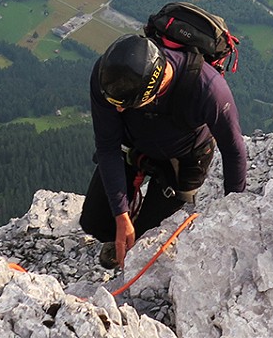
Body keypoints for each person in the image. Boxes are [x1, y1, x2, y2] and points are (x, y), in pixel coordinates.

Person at [81, 33, 248, 267]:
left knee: (148, 240)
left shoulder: (209, 90)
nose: (118, 111)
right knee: (95, 223)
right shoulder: (108, 77)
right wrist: (121, 216)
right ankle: (122, 230)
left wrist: (234, 211)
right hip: (135, 145)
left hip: (184, 159)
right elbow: (108, 146)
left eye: (127, 105)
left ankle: (136, 235)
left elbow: (233, 150)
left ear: (154, 90)